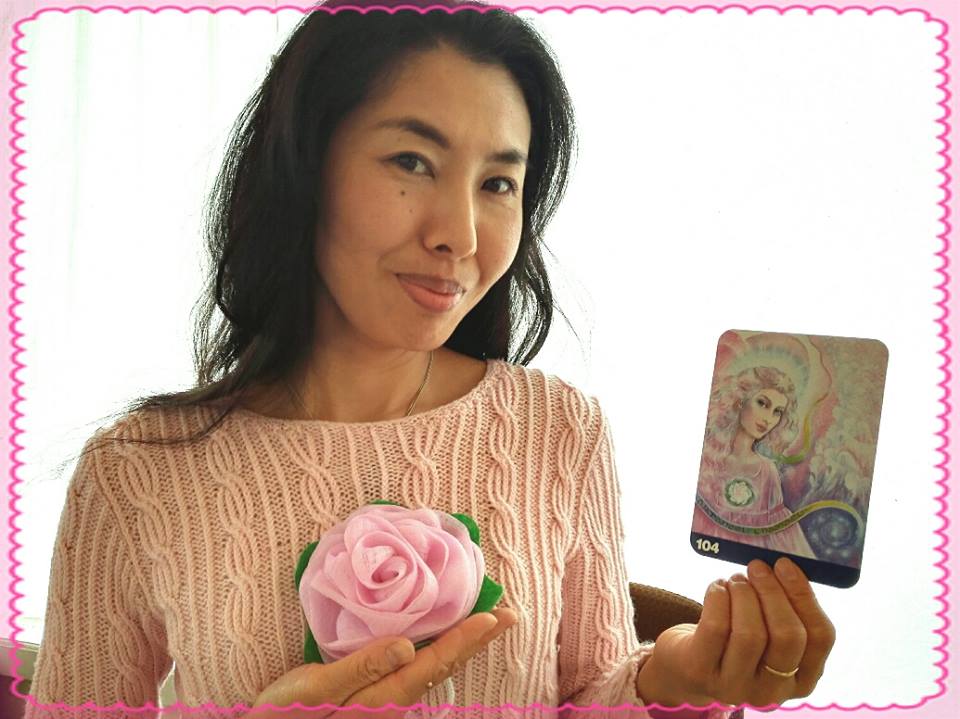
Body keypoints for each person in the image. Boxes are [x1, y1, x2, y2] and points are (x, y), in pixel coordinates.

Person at [24, 2, 835, 718]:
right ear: (302, 166)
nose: (461, 235)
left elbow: (592, 692)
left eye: (499, 183)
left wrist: (671, 681)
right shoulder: (136, 474)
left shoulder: (559, 428)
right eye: (412, 162)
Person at [694, 366, 817, 558]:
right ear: (740, 401)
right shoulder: (707, 456)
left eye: (777, 412)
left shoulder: (767, 470)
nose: (768, 419)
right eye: (762, 403)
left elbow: (780, 534)